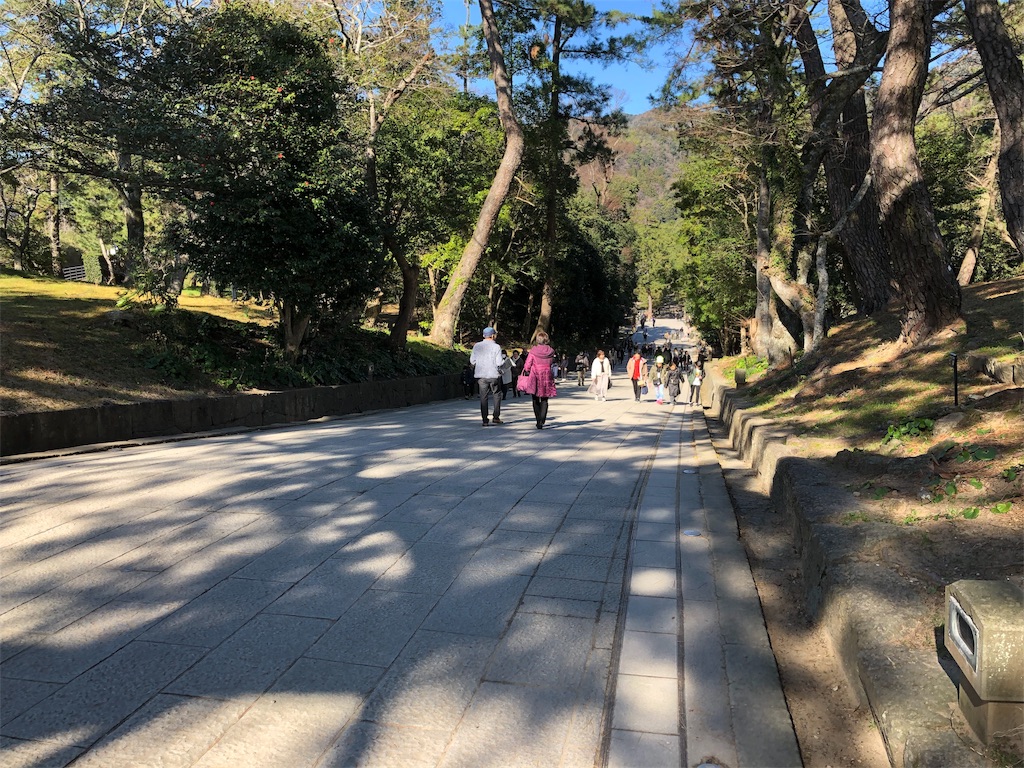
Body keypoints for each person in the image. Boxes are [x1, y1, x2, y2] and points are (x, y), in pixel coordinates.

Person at [521, 331, 557, 429]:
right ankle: (543, 417)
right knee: (545, 398)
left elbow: (527, 365)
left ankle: (538, 420)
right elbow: (551, 362)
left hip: (535, 375)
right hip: (547, 375)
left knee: (535, 398)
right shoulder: (550, 351)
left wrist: (528, 370)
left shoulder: (533, 351)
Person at [470, 326, 503, 426]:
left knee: (483, 397)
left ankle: (485, 420)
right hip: (493, 374)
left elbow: (472, 361)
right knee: (496, 395)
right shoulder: (496, 347)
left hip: (481, 375)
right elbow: (499, 362)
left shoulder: (477, 346)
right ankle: (496, 417)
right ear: (492, 336)